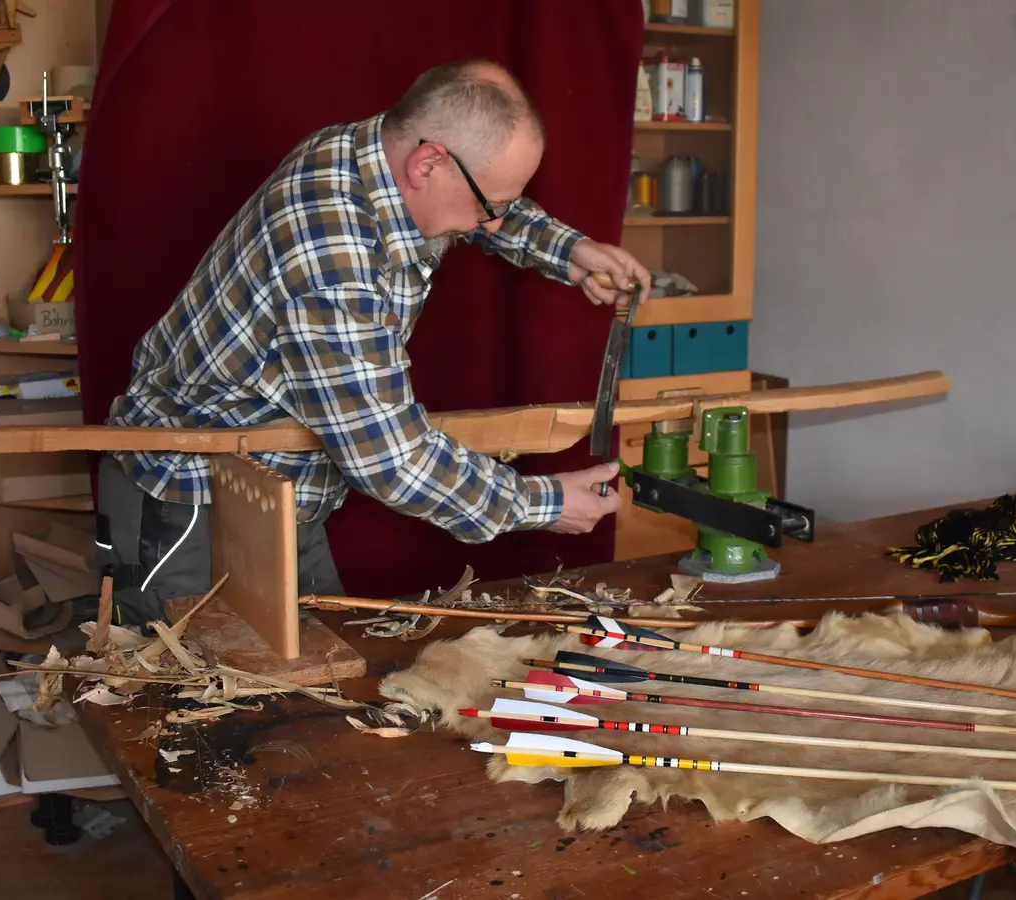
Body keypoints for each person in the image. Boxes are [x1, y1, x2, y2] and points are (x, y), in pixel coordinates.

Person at [93, 59, 652, 625]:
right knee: (190, 675)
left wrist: (568, 250)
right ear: (427, 163)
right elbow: (391, 458)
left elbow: (484, 197)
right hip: (189, 500)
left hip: (278, 488)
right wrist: (544, 504)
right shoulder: (333, 260)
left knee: (324, 655)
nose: (492, 223)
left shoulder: (367, 150)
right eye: (492, 206)